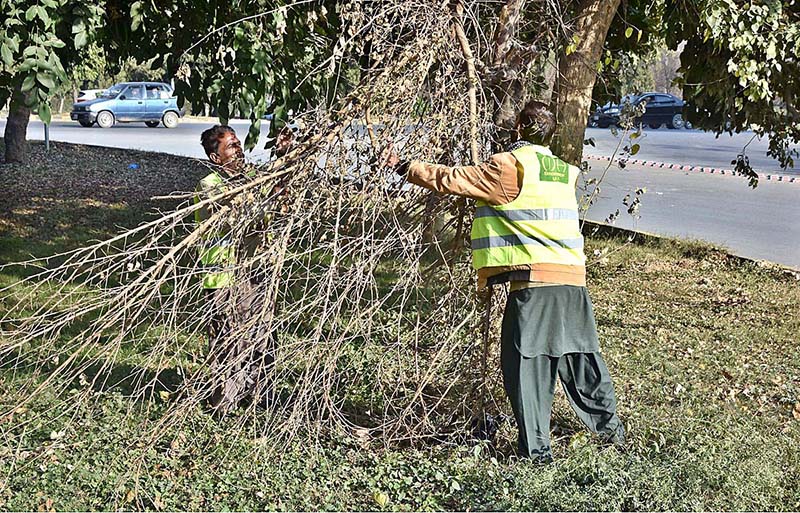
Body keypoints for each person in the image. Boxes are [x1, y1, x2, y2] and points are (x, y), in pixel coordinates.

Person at [388, 101, 625, 461]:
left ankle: (536, 453)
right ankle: (613, 434)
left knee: (525, 367)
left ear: (517, 131)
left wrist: (404, 166)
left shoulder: (509, 168)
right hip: (573, 279)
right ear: (550, 134)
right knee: (581, 360)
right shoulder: (563, 170)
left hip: (535, 285)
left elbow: (450, 179)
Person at [194, 125, 290, 414]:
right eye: (231, 146)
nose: (239, 149)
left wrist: (284, 157)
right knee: (228, 338)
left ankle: (261, 395)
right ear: (215, 157)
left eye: (238, 143)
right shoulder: (209, 185)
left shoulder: (252, 179)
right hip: (224, 274)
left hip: (256, 269)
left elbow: (277, 194)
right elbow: (240, 211)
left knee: (262, 334)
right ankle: (225, 399)